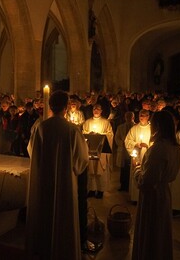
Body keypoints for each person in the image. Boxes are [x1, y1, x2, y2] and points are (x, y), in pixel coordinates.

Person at [26, 90, 89, 259]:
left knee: (45, 213)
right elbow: (82, 160)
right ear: (66, 107)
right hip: (65, 182)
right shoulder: (72, 130)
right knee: (64, 215)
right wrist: (73, 169)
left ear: (50, 106)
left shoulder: (41, 127)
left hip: (44, 179)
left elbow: (32, 151)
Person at [132, 111, 180, 260]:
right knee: (161, 232)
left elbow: (146, 181)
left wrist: (137, 168)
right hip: (164, 193)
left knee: (151, 232)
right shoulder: (175, 148)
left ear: (158, 127)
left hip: (152, 197)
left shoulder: (158, 149)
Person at [82, 103, 113, 199]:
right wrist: (90, 134)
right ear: (92, 110)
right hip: (91, 149)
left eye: (98, 108)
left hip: (101, 150)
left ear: (101, 111)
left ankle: (100, 190)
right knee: (91, 170)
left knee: (100, 170)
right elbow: (83, 133)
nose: (96, 110)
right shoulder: (87, 122)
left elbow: (110, 134)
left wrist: (100, 135)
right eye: (94, 108)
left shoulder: (106, 122)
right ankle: (91, 189)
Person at [125, 109, 151, 203]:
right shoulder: (134, 128)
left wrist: (147, 146)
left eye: (144, 115)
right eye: (140, 115)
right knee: (135, 174)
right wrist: (137, 144)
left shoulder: (152, 128)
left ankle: (145, 197)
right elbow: (127, 141)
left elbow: (155, 142)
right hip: (136, 155)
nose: (142, 117)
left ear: (148, 116)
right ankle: (135, 198)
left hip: (148, 155)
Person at [115, 111, 135, 191]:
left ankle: (130, 187)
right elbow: (117, 137)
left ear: (133, 118)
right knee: (123, 169)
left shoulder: (135, 127)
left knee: (131, 168)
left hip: (132, 150)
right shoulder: (121, 127)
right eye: (127, 117)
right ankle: (123, 185)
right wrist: (122, 143)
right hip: (123, 150)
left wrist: (130, 144)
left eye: (130, 117)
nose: (128, 119)